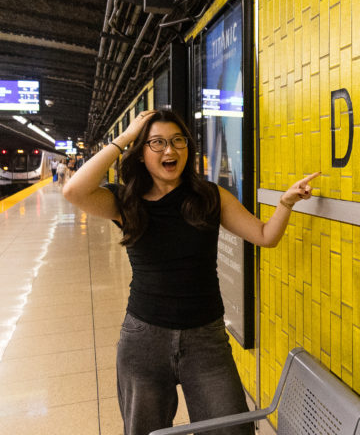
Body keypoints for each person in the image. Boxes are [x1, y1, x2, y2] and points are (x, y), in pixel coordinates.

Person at [62, 110, 319, 435]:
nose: (170, 150)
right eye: (157, 143)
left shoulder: (210, 196)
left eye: (177, 141)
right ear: (140, 153)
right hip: (144, 339)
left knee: (231, 429)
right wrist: (124, 137)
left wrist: (286, 203)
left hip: (206, 339)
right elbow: (74, 191)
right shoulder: (126, 201)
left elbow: (265, 236)